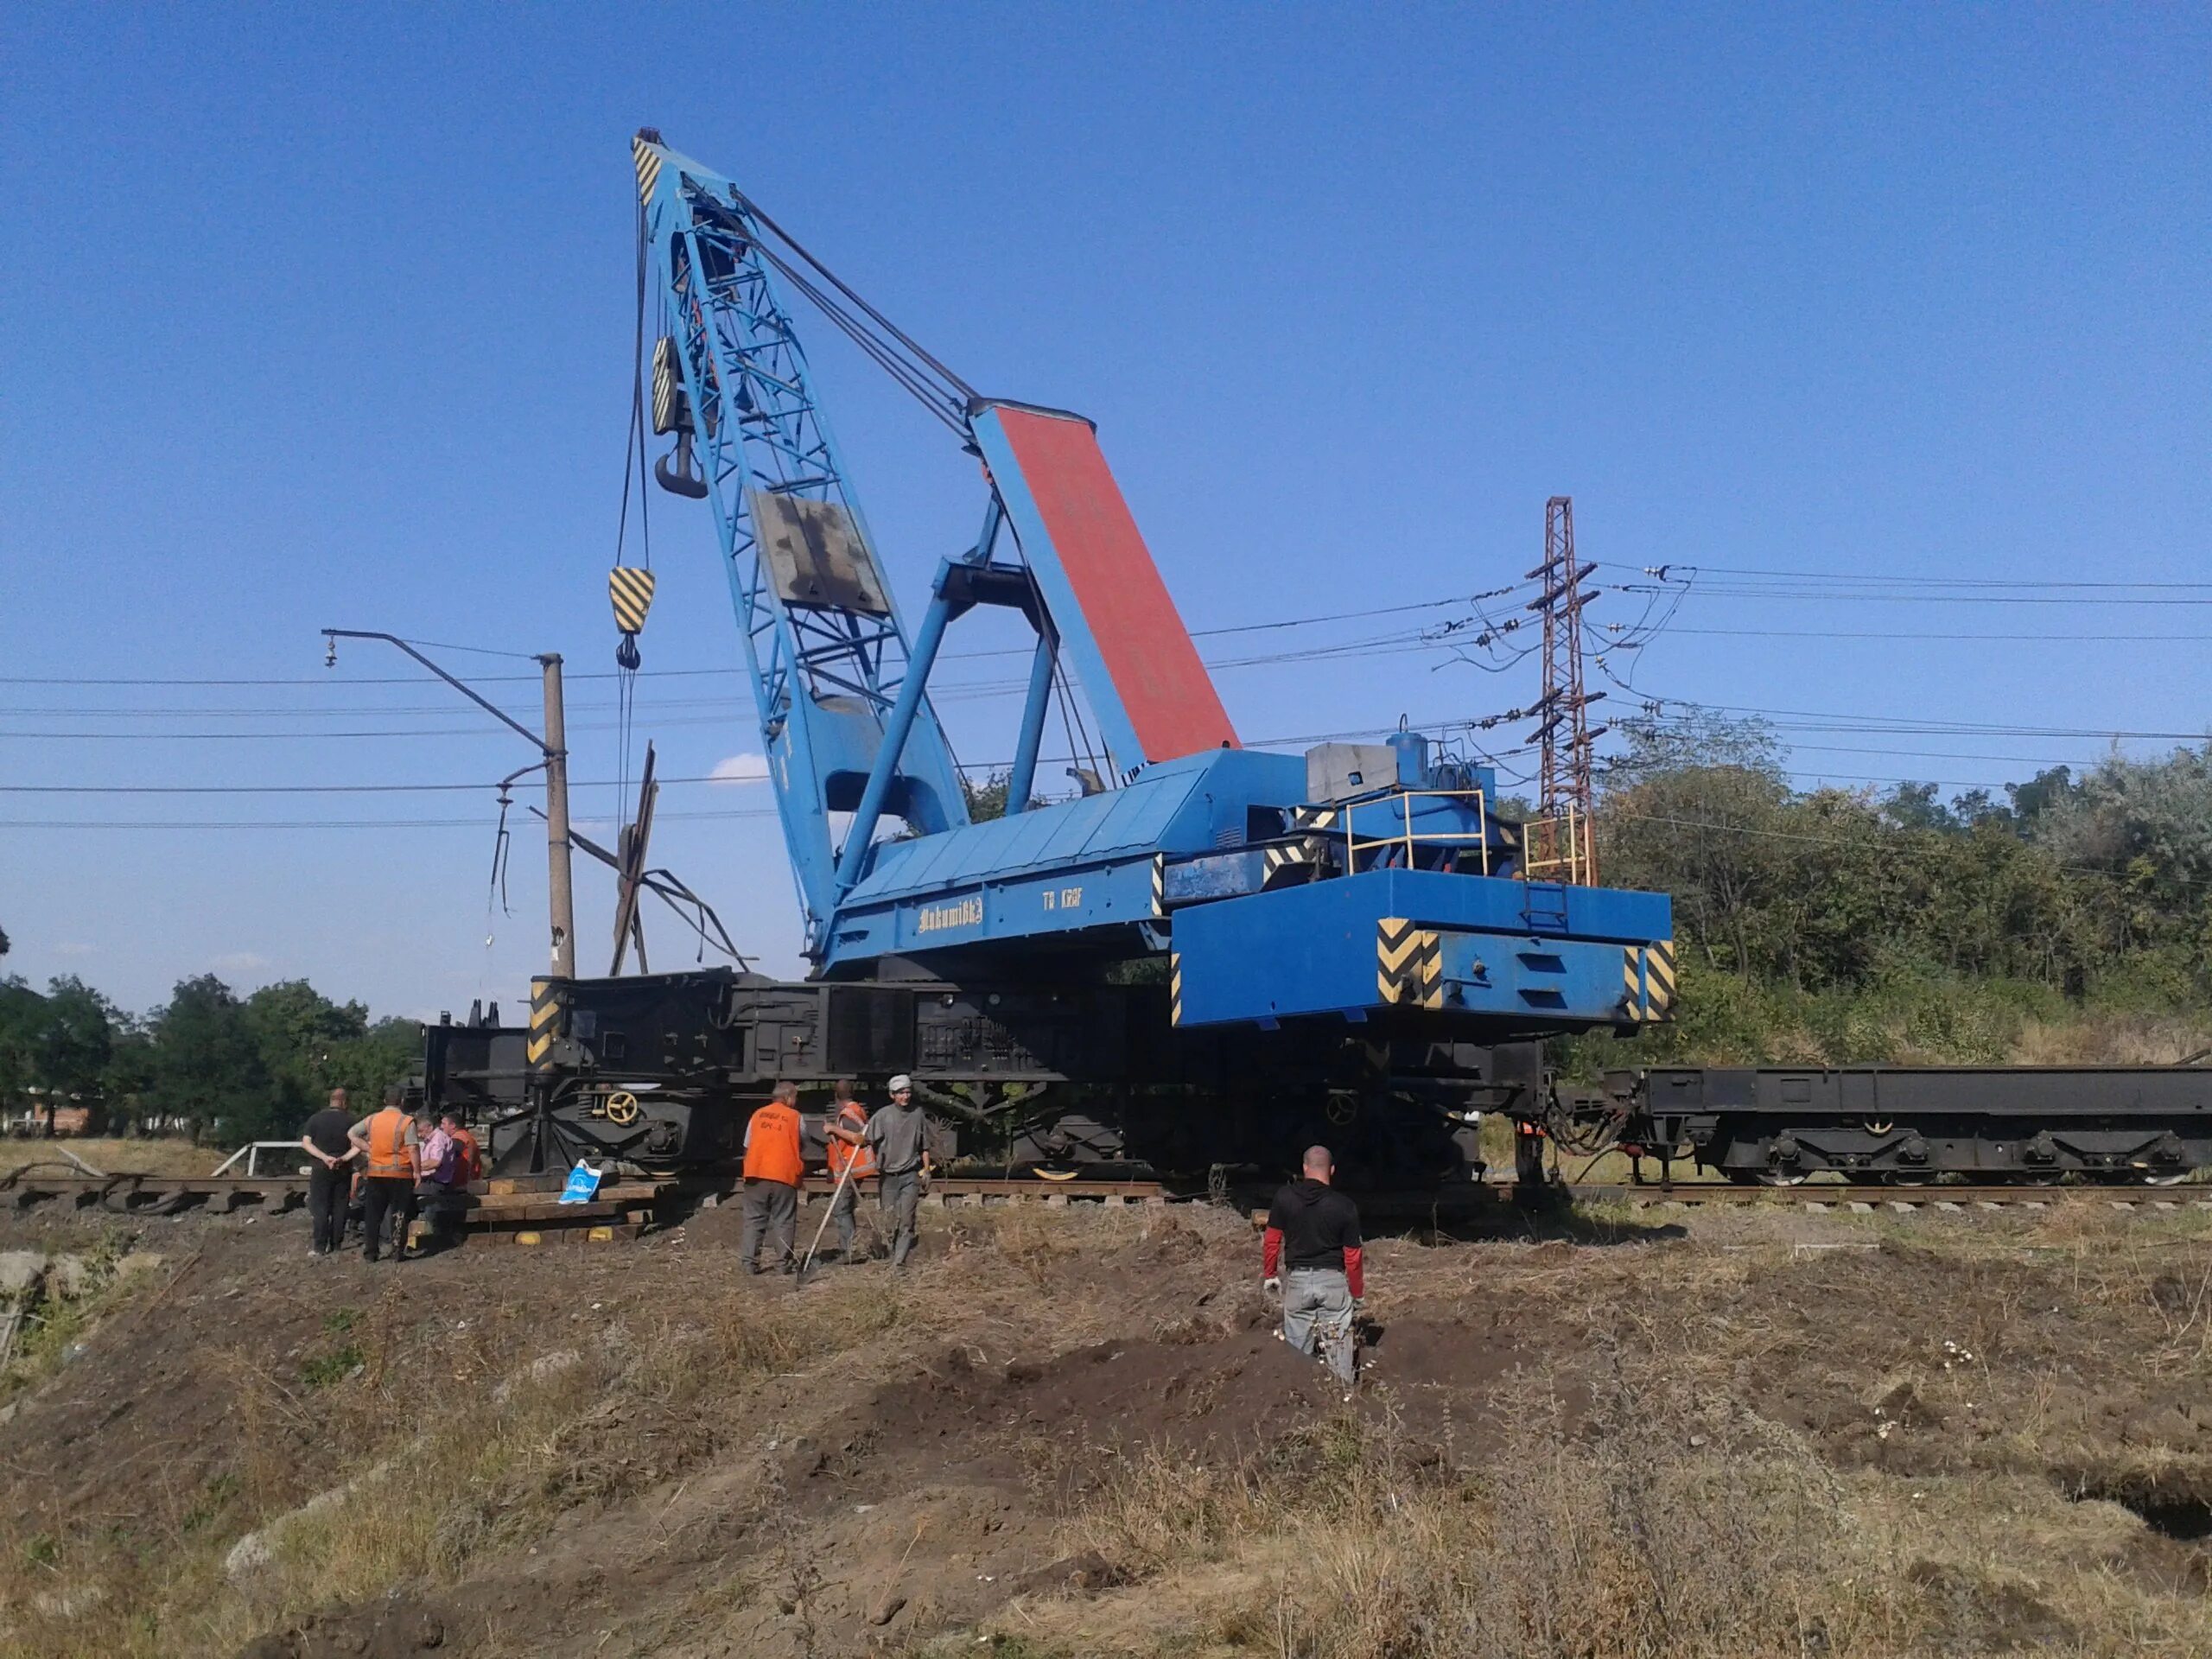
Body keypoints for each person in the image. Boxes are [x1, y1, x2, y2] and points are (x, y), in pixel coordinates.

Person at [1262, 1145, 1364, 1387]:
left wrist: (1270, 1274)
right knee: (1339, 1354)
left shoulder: (1284, 1198)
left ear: (1304, 1168)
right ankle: (1340, 1401)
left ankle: (1299, 1402)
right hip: (1333, 1283)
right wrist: (1357, 1292)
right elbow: (1353, 1256)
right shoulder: (1344, 1205)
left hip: (1297, 1282)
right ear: (1332, 1170)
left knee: (1297, 1357)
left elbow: (1272, 1239)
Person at [861, 1075, 930, 1268]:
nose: (905, 1096)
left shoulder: (918, 1114)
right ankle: (888, 1253)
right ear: (892, 1095)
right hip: (889, 1176)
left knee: (907, 1220)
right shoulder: (883, 1116)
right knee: (889, 1220)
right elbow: (865, 1139)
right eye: (901, 1093)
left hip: (910, 1175)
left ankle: (898, 1262)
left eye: (908, 1092)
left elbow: (925, 1146)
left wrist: (926, 1171)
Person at [347, 1084, 420, 1264]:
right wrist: (417, 1171)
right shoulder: (407, 1121)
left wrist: (368, 1148)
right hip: (400, 1174)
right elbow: (413, 1148)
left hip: (376, 1173)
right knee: (399, 1213)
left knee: (373, 1215)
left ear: (384, 1101)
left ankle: (371, 1253)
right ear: (402, 1101)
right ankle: (397, 1251)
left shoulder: (372, 1120)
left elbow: (352, 1134)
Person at [739, 1081, 804, 1274]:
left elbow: (747, 1144)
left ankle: (749, 1264)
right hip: (783, 1175)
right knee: (783, 1219)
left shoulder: (757, 1114)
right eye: (795, 1098)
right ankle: (782, 1265)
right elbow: (804, 1140)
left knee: (754, 1219)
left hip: (755, 1173)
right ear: (789, 1097)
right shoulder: (795, 1117)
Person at [298, 1086, 359, 1258]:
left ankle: (319, 1246)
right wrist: (343, 1159)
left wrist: (325, 1158)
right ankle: (336, 1244)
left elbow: (306, 1143)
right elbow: (358, 1146)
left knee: (320, 1207)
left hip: (321, 1168)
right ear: (345, 1102)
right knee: (340, 1206)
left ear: (330, 1101)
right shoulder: (351, 1121)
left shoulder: (315, 1119)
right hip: (343, 1169)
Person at [411, 1106, 478, 1255]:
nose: (442, 1127)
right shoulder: (461, 1137)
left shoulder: (458, 1138)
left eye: (444, 1124)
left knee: (417, 1199)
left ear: (453, 1125)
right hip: (456, 1178)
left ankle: (437, 1236)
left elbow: (437, 1161)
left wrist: (414, 1167)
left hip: (454, 1180)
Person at [823, 1079, 874, 1262]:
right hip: (851, 1168)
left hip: (850, 1169)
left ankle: (849, 1251)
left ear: (836, 1096)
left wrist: (833, 1128)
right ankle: (849, 1248)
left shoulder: (847, 1114)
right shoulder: (856, 1109)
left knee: (840, 1210)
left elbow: (860, 1138)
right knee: (846, 1208)